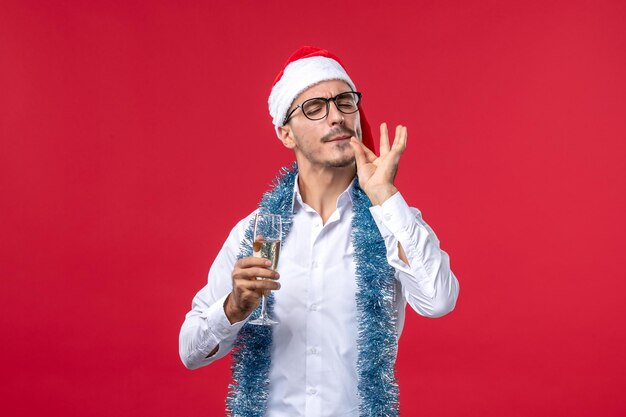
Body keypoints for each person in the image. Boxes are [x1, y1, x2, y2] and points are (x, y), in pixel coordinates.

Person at [179, 46, 459, 417]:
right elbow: (190, 352)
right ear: (286, 134)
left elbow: (438, 300)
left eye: (345, 102)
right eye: (315, 108)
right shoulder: (257, 233)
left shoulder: (392, 220)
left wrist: (385, 196)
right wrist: (235, 306)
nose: (336, 118)